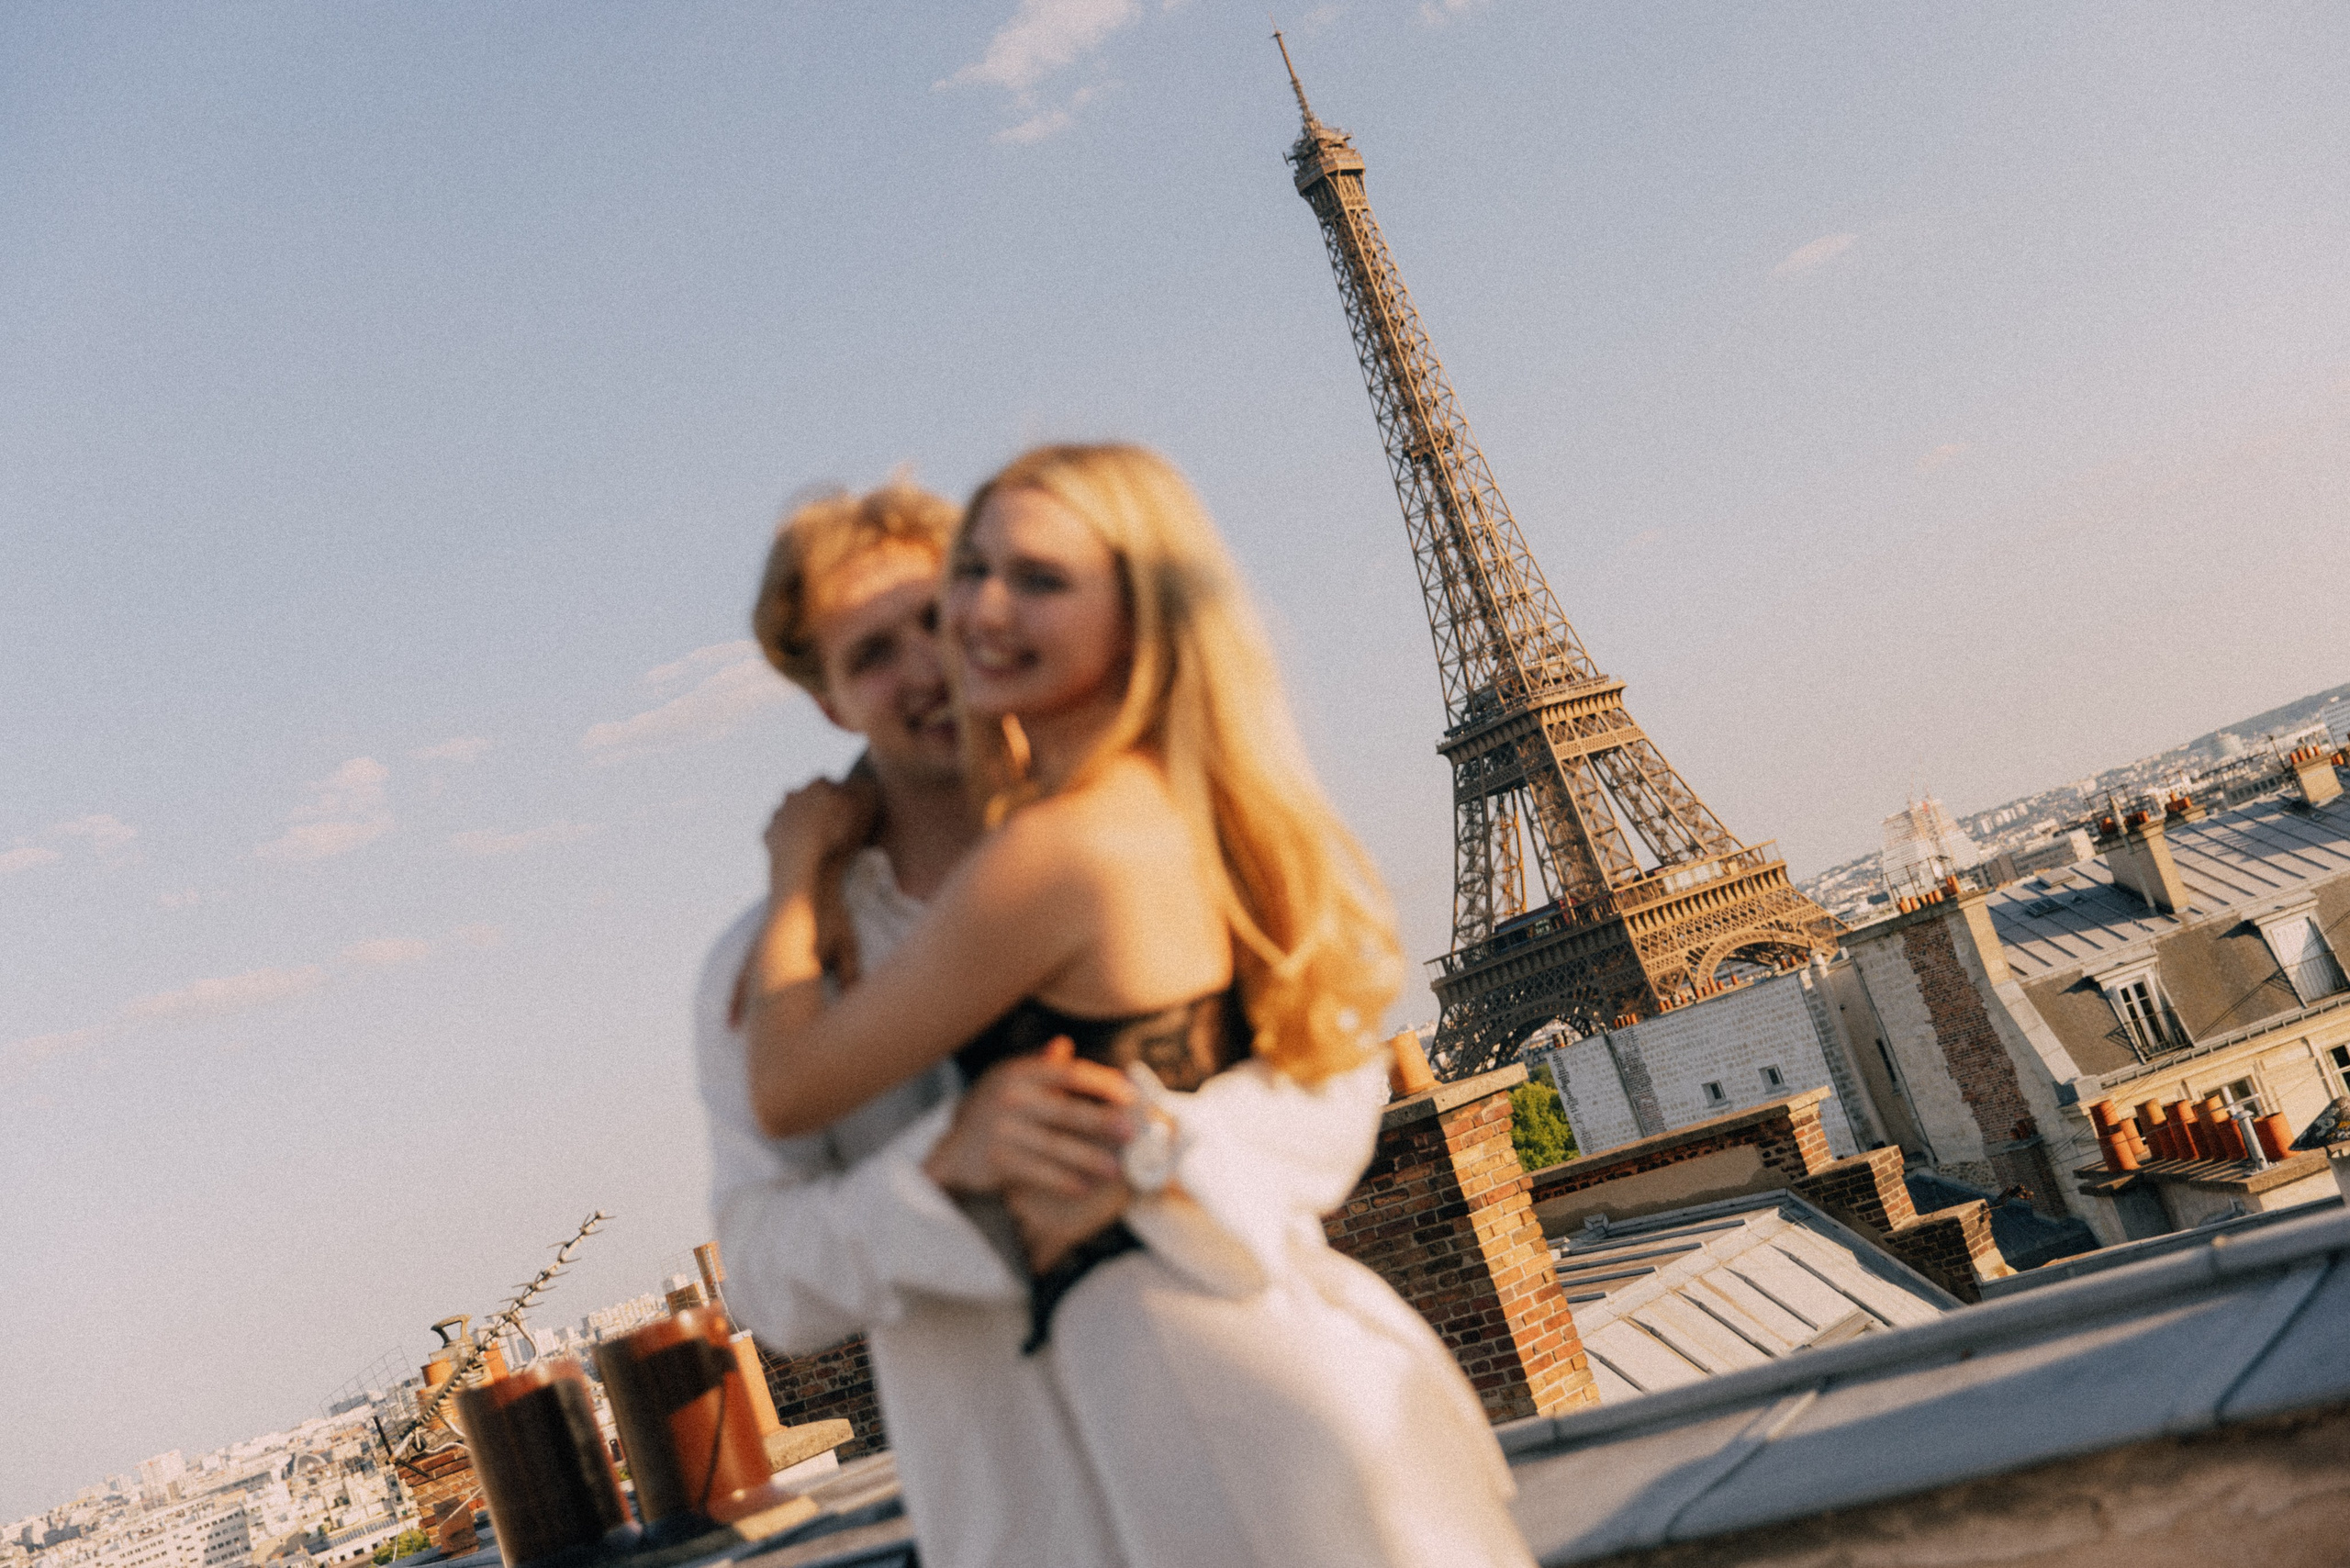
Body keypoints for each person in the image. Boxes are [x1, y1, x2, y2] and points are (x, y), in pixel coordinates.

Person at [743, 444, 1536, 1568]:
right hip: (1257, 1366)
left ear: (1135, 615)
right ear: (826, 696)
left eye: (1038, 581)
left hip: (1192, 1382)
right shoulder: (1190, 806)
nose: (976, 617)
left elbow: (787, 1084)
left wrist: (794, 873)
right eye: (974, 572)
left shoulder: (1055, 852)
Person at [697, 478, 1138, 1566]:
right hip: (1022, 1514)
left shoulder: (1131, 834)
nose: (925, 668)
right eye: (872, 654)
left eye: (936, 619)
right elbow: (763, 1275)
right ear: (830, 704)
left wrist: (1172, 1148)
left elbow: (1325, 1081)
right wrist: (938, 1174)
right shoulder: (759, 970)